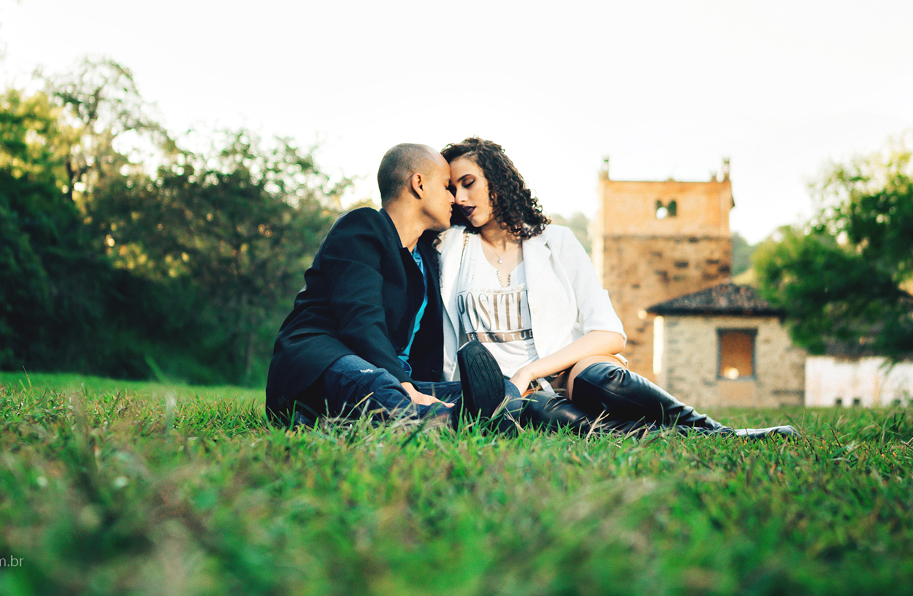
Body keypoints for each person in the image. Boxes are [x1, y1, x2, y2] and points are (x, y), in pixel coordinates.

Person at [437, 137, 795, 439]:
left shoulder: (555, 241)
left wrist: (532, 370)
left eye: (469, 182)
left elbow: (609, 333)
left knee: (603, 379)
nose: (461, 197)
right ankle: (680, 436)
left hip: (561, 373)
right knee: (548, 415)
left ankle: (719, 431)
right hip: (497, 389)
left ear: (497, 180)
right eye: (453, 189)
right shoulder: (450, 246)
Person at [265, 143, 518, 428]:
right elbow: (360, 319)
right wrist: (403, 385)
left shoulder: (426, 259)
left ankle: (340, 422)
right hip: (323, 364)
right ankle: (448, 422)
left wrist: (415, 387)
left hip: (396, 381)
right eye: (447, 186)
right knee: (379, 385)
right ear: (418, 184)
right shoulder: (361, 227)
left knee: (503, 391)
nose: (455, 199)